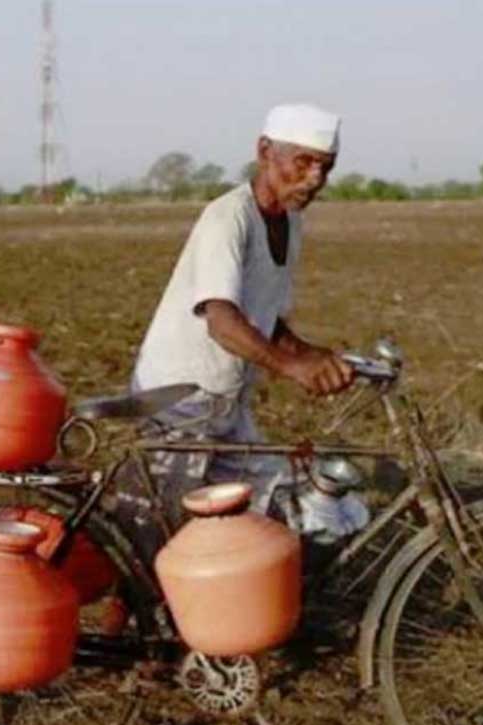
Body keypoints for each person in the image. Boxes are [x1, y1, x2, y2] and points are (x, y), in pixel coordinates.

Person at [122, 103, 358, 557]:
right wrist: (292, 367)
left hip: (226, 404)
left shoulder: (289, 221)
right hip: (179, 403)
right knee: (155, 542)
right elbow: (222, 321)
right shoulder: (227, 217)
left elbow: (265, 318)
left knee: (275, 501)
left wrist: (313, 355)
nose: (314, 179)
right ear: (265, 151)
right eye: (303, 163)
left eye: (324, 168)